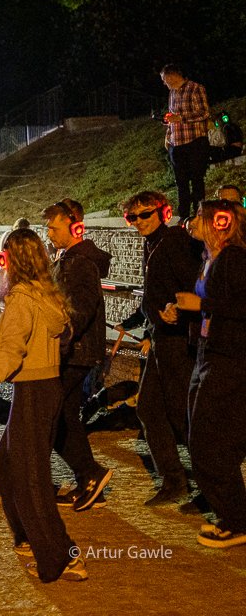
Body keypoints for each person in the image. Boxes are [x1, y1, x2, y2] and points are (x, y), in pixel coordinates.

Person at [0, 228, 87, 583]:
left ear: (15, 260)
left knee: (31, 479)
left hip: (34, 389)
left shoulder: (23, 297)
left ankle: (59, 556)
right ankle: (31, 539)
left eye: (4, 256)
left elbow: (13, 346)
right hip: (40, 387)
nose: (0, 263)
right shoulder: (42, 294)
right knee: (4, 466)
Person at [117, 190, 201, 506]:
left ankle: (213, 484)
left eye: (145, 214)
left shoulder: (174, 241)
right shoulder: (151, 243)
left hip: (177, 341)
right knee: (149, 409)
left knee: (182, 415)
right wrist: (143, 319)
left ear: (162, 212)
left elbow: (193, 287)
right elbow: (152, 295)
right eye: (133, 217)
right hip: (160, 339)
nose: (139, 221)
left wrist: (176, 309)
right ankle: (174, 480)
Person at [174, 200, 246, 548]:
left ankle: (236, 520)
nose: (194, 222)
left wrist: (201, 304)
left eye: (201, 217)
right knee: (203, 436)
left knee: (209, 441)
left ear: (220, 223)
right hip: (208, 352)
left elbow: (240, 306)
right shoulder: (210, 257)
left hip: (228, 359)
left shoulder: (234, 259)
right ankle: (233, 515)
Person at [42, 200, 113, 512]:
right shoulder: (68, 259)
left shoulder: (80, 263)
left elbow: (80, 309)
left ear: (75, 227)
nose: (49, 233)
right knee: (64, 415)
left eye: (54, 228)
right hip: (71, 350)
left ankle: (90, 473)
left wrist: (59, 336)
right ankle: (89, 478)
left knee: (55, 415)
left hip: (75, 352)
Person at [160, 63, 211, 219]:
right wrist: (169, 133)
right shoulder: (172, 93)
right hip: (177, 144)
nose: (164, 83)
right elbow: (173, 116)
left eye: (164, 80)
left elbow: (204, 113)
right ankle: (184, 217)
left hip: (195, 141)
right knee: (181, 183)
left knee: (196, 180)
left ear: (172, 76)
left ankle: (199, 215)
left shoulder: (195, 88)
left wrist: (180, 118)